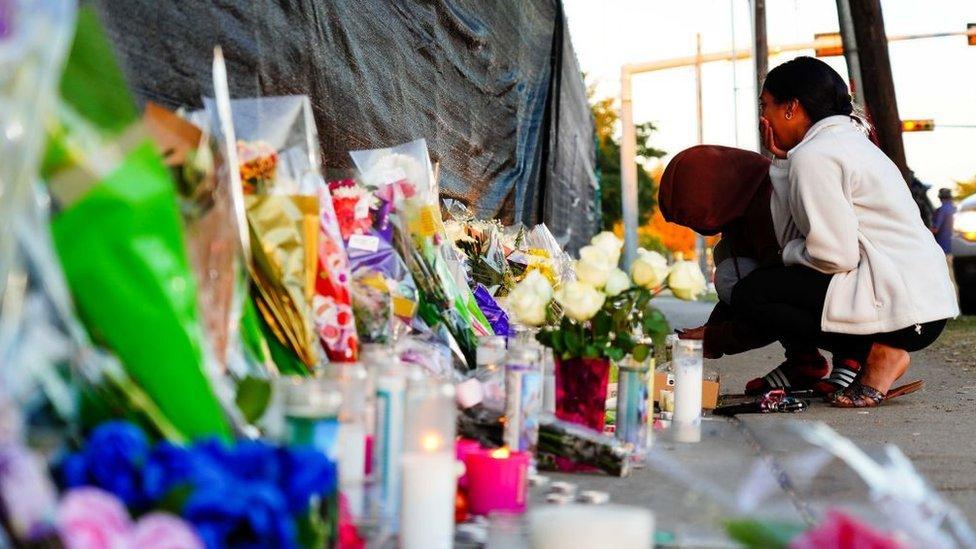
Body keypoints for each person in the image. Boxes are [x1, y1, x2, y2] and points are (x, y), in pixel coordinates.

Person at [732, 56, 958, 408]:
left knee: (752, 292)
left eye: (766, 106)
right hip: (922, 305)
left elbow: (832, 256)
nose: (763, 118)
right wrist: (782, 162)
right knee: (770, 280)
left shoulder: (816, 155)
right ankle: (869, 353)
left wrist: (790, 253)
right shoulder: (841, 143)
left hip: (903, 308)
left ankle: (880, 354)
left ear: (791, 107)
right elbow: (796, 230)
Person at [659, 145, 848, 396]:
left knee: (760, 287)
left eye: (694, 220)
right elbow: (740, 293)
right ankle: (804, 361)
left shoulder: (772, 205)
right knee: (731, 269)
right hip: (791, 285)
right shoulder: (740, 206)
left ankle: (853, 357)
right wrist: (709, 330)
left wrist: (715, 338)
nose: (694, 229)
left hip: (840, 288)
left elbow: (765, 300)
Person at [932, 187, 957, 289]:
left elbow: (935, 229)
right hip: (955, 248)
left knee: (949, 278)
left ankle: (954, 303)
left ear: (940, 198)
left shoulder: (942, 210)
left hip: (944, 248)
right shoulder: (955, 209)